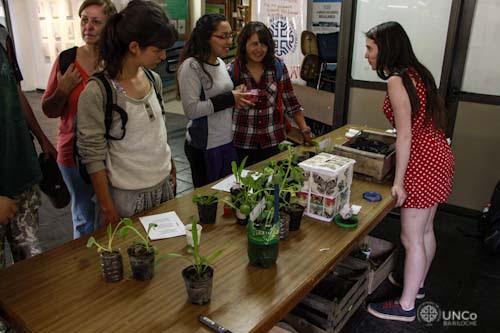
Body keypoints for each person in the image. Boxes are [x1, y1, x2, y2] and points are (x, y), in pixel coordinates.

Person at [364, 22, 455, 322]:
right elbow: (419, 123)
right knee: (426, 230)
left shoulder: (396, 80)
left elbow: (404, 136)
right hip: (439, 154)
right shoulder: (418, 73)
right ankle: (416, 288)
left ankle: (405, 306)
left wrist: (399, 183)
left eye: (370, 48)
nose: (367, 55)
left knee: (410, 238)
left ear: (387, 48)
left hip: (422, 161)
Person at [77, 0, 178, 225]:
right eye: (157, 50)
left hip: (161, 187)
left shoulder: (154, 79)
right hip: (126, 197)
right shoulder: (98, 92)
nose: (163, 56)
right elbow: (92, 156)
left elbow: (157, 131)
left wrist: (170, 166)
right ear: (134, 47)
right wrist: (106, 206)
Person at [42, 0, 117, 239]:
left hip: (112, 151)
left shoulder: (116, 62)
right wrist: (63, 90)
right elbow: (48, 110)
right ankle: (83, 269)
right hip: (72, 153)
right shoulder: (67, 60)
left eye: (96, 21)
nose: (88, 27)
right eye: (84, 20)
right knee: (83, 216)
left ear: (109, 26)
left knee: (111, 212)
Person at [178, 13, 253, 187]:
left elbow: (222, 96)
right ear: (205, 37)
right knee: (209, 202)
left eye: (230, 36)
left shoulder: (219, 62)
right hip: (205, 146)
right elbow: (192, 111)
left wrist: (237, 94)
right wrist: (230, 98)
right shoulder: (191, 66)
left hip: (226, 140)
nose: (229, 42)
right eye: (222, 36)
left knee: (227, 196)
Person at [0, 25, 52, 268]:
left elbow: (16, 92)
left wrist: (41, 137)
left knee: (32, 267)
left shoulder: (2, 35)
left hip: (22, 172)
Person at [228, 21, 313, 166]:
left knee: (273, 184)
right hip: (242, 141)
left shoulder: (277, 67)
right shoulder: (233, 70)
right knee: (244, 185)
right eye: (254, 44)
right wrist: (233, 95)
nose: (259, 49)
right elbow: (224, 104)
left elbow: (291, 101)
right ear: (244, 45)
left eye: (264, 44)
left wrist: (304, 128)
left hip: (273, 140)